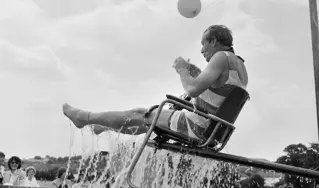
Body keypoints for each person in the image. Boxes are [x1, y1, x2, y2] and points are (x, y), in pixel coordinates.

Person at [63, 25, 248, 140]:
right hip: (210, 130)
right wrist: (196, 73)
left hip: (197, 126)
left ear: (214, 41)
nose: (201, 50)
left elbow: (192, 90)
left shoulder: (220, 57)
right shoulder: (239, 65)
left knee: (140, 114)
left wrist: (182, 70)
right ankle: (102, 126)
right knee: (146, 121)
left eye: (204, 44)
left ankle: (84, 118)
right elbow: (216, 95)